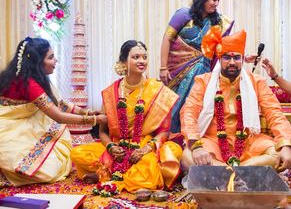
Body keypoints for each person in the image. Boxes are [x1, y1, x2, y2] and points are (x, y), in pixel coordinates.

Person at [71, 40, 182, 192]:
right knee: (78, 153)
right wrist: (111, 147)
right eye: (136, 57)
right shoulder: (111, 92)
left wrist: (146, 149)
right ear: (124, 61)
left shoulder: (157, 90)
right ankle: (118, 173)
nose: (142, 61)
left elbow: (164, 131)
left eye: (144, 57)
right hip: (118, 147)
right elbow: (103, 131)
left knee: (171, 153)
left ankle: (108, 175)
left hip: (145, 146)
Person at [180, 27, 291, 170]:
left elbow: (274, 113)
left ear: (242, 59)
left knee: (277, 155)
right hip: (213, 142)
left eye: (236, 57)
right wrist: (196, 146)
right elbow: (189, 113)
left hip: (248, 143)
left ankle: (226, 173)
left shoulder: (256, 82)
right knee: (187, 157)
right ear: (219, 59)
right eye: (226, 57)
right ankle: (242, 173)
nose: (231, 62)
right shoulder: (204, 81)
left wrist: (285, 145)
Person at [0, 37, 107, 187]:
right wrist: (96, 120)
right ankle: (5, 176)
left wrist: (88, 113)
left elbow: (60, 104)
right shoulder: (29, 84)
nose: (56, 60)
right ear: (37, 62)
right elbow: (58, 116)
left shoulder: (33, 77)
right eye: (51, 57)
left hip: (22, 124)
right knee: (51, 169)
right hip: (9, 128)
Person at [159, 0, 234, 134]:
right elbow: (167, 39)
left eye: (218, 0)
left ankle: (192, 138)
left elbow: (226, 46)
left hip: (204, 71)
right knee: (174, 105)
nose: (216, 3)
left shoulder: (218, 22)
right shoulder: (183, 14)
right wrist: (163, 67)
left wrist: (243, 58)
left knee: (197, 106)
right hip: (178, 71)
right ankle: (171, 138)